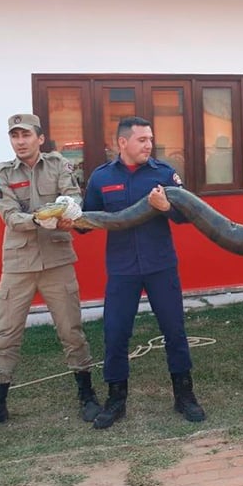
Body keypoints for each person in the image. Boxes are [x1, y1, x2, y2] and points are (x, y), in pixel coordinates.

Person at [0, 114, 99, 437]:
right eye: (14, 136)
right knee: (6, 335)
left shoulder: (58, 164)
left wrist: (68, 208)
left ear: (40, 138)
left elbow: (71, 196)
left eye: (26, 135)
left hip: (57, 261)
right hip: (18, 266)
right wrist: (41, 218)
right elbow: (9, 215)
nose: (20, 141)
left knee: (72, 332)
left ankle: (87, 395)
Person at [83, 116, 205, 429]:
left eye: (150, 139)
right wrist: (69, 219)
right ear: (122, 143)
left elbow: (187, 215)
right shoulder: (101, 178)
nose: (148, 145)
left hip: (160, 265)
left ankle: (184, 396)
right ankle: (116, 400)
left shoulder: (164, 173)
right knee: (115, 334)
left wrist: (166, 208)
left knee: (175, 331)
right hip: (122, 269)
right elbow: (88, 221)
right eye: (141, 140)